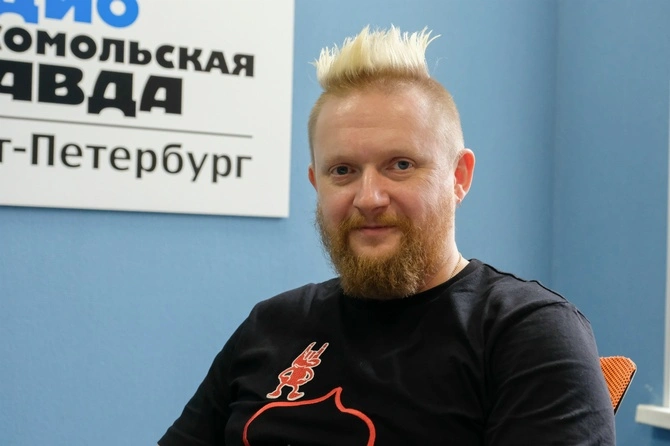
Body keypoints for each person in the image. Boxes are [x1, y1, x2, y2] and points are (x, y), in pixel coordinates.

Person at [158, 26, 615, 445]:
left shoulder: (526, 332)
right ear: (317, 184)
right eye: (343, 171)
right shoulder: (271, 324)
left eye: (400, 165)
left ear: (459, 176)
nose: (369, 197)